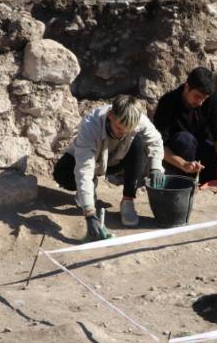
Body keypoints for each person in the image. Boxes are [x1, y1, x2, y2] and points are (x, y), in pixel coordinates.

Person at [53, 97, 165, 241]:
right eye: (119, 128)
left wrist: (156, 168)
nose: (123, 134)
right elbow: (83, 170)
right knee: (62, 173)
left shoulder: (137, 118)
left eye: (127, 130)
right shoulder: (90, 125)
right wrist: (89, 213)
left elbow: (155, 141)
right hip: (94, 162)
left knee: (139, 142)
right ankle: (90, 188)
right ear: (111, 115)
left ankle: (128, 200)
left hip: (117, 161)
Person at [153, 67, 217, 188]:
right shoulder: (167, 102)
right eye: (197, 96)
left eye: (204, 98)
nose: (200, 102)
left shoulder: (211, 99)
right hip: (178, 157)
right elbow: (159, 145)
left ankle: (208, 180)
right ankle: (190, 180)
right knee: (185, 139)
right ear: (187, 87)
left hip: (202, 148)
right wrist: (183, 164)